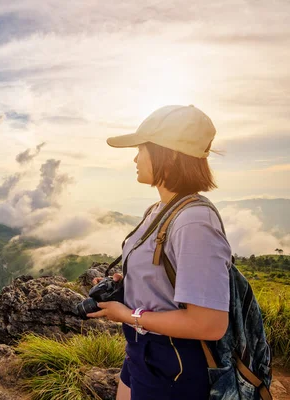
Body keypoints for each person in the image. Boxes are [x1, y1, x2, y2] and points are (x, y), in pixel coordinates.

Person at [86, 105, 231, 400]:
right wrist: (129, 283)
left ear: (172, 153)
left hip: (176, 367)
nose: (135, 157)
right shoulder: (158, 210)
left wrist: (129, 315)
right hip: (142, 353)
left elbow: (210, 324)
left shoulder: (194, 222)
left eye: (142, 148)